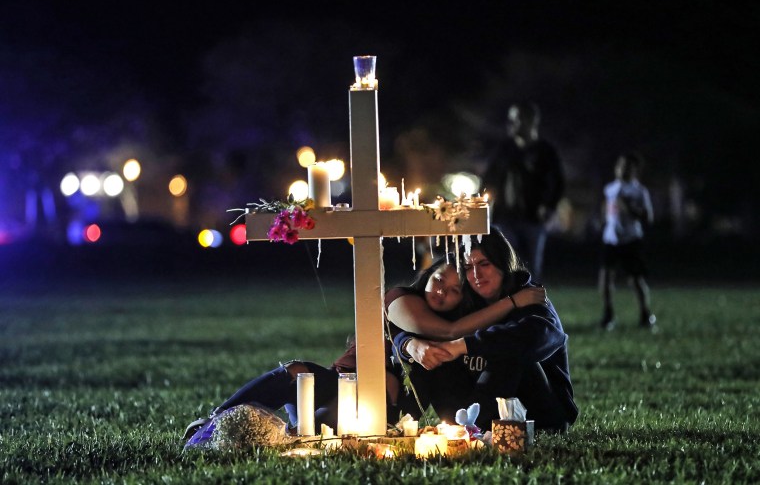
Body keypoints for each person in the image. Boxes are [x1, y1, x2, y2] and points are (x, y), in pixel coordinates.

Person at [182, 255, 545, 440]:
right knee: (296, 373)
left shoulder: (453, 337)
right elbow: (435, 329)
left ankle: (286, 433)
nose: (442, 292)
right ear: (427, 276)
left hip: (376, 406)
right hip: (338, 380)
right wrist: (511, 303)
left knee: (319, 430)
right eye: (438, 281)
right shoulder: (401, 299)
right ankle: (212, 422)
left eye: (454, 291)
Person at [393, 229, 578, 433]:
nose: (476, 275)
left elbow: (539, 335)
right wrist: (410, 344)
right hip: (475, 407)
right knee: (431, 352)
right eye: (468, 267)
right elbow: (413, 329)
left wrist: (462, 345)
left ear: (502, 263)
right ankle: (399, 425)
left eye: (484, 264)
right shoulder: (465, 299)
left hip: (539, 413)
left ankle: (472, 431)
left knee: (508, 350)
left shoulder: (528, 295)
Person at [482, 101, 565, 281]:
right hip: (505, 217)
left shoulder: (545, 151)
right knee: (506, 263)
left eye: (517, 119)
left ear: (532, 120)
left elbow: (558, 182)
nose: (511, 124)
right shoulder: (504, 149)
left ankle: (532, 305)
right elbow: (489, 178)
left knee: (532, 267)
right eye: (511, 119)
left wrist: (549, 206)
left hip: (533, 219)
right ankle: (508, 305)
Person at [598, 152, 655, 330]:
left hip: (631, 240)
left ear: (634, 170)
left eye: (627, 167)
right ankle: (608, 315)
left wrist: (630, 208)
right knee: (606, 278)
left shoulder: (639, 191)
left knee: (636, 279)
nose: (622, 169)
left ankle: (645, 314)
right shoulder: (610, 189)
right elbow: (606, 210)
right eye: (620, 166)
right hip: (611, 239)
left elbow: (648, 217)